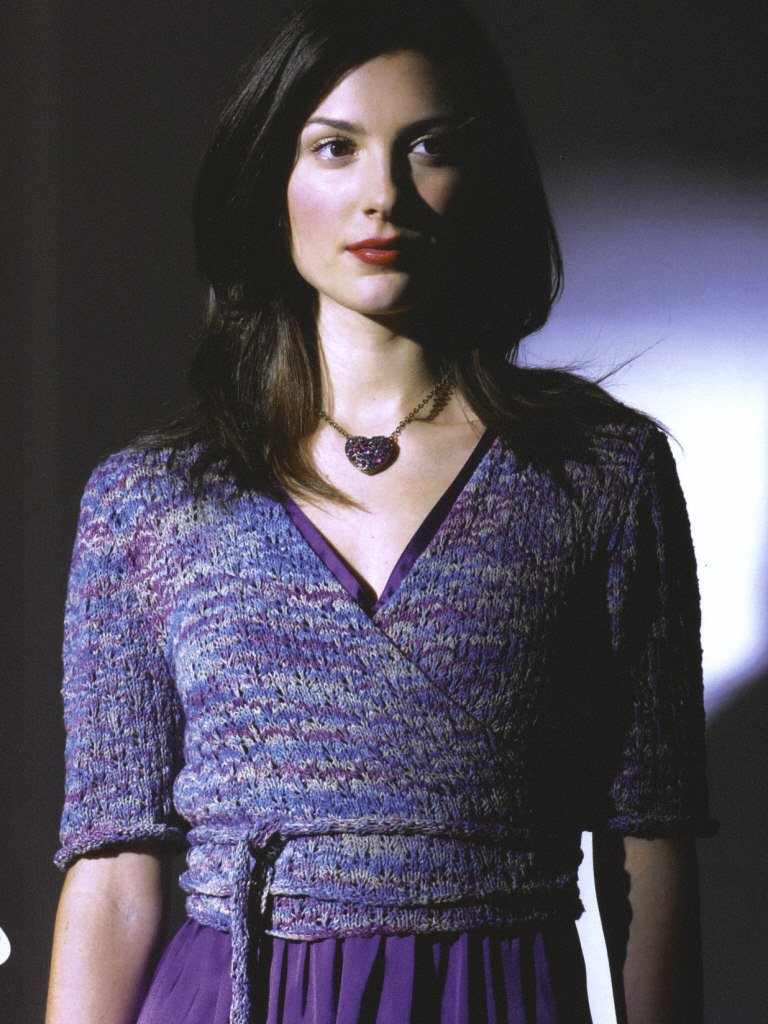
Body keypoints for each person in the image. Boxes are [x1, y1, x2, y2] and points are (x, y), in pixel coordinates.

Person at [45, 1, 716, 1022]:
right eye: (335, 148)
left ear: (483, 177)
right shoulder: (150, 502)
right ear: (271, 181)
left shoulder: (602, 477)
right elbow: (111, 872)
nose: (384, 196)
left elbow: (652, 841)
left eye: (428, 147)